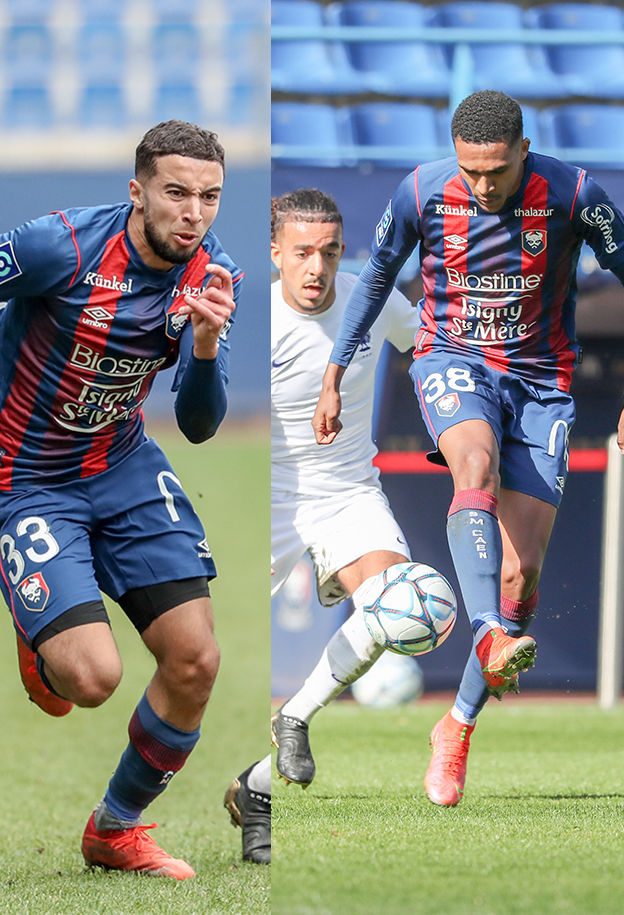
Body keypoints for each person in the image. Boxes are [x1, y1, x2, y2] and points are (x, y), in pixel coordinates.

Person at [0, 120, 241, 879]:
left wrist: (202, 347)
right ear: (137, 191)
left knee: (195, 661)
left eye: (209, 197)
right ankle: (46, 639)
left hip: (122, 464)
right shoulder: (58, 246)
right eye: (176, 192)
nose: (193, 212)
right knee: (90, 680)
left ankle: (115, 829)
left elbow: (198, 426)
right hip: (26, 477)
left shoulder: (215, 275)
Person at [313, 90, 624, 808]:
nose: (483, 186)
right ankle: (485, 633)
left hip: (542, 384)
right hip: (451, 358)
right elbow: (378, 273)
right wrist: (334, 371)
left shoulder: (574, 194)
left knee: (521, 572)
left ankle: (456, 724)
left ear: (523, 153)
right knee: (471, 464)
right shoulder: (420, 190)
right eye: (472, 171)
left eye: (498, 172)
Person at [224, 187, 425, 863]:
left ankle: (291, 724)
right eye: (303, 252)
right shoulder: (250, 318)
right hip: (268, 502)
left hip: (346, 492)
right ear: (276, 252)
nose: (318, 267)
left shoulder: (373, 299)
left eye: (330, 252)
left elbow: (428, 349)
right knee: (192, 657)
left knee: (396, 606)